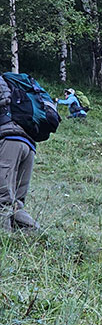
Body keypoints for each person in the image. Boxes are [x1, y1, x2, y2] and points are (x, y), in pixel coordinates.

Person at [0, 77, 39, 232]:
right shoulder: (11, 83)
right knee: (16, 203)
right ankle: (33, 236)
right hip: (28, 144)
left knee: (2, 200)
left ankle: (4, 241)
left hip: (10, 141)